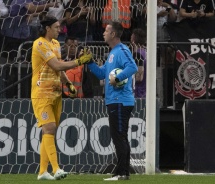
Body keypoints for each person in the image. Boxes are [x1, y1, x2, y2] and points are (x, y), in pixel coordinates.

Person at [31, 15, 92, 180]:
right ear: (47, 28)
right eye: (57, 27)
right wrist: (79, 61)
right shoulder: (40, 44)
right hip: (42, 93)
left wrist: (69, 84)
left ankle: (42, 171)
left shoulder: (56, 44)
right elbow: (56, 65)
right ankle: (56, 169)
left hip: (56, 93)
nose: (60, 30)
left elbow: (59, 70)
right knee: (49, 128)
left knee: (49, 131)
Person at [87, 21, 137, 181]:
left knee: (119, 137)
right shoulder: (112, 53)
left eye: (106, 30)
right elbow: (102, 74)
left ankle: (123, 173)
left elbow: (133, 67)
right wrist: (90, 62)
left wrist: (118, 78)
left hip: (120, 101)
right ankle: (121, 172)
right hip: (114, 100)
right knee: (119, 137)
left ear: (113, 34)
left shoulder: (122, 50)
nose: (103, 33)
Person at [131, 28, 147, 98]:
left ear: (133, 39)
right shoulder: (146, 52)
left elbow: (138, 78)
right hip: (146, 90)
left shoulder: (137, 55)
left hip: (139, 92)